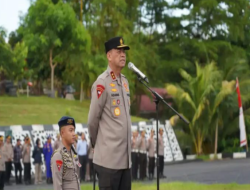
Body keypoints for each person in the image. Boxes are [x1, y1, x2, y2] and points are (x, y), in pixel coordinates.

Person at [88, 36, 131, 190]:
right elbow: (93, 119)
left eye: (124, 51)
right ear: (108, 56)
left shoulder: (125, 82)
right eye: (118, 51)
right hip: (108, 161)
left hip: (125, 161)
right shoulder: (102, 83)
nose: (123, 54)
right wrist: (95, 144)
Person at [51, 116, 81, 190]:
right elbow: (57, 186)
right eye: (71, 130)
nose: (74, 134)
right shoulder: (58, 156)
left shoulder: (73, 153)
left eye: (74, 130)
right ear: (62, 133)